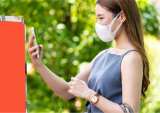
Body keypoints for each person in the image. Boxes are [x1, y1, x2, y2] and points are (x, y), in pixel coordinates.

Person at [28, 0, 150, 113]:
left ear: (122, 17)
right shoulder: (103, 55)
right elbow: (67, 91)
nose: (98, 24)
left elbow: (129, 111)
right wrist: (39, 65)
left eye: (101, 18)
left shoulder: (131, 58)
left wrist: (90, 95)